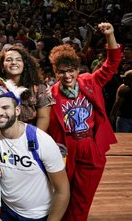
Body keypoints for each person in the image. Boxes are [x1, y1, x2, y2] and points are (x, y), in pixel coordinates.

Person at [47, 22, 120, 221]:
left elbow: (112, 63)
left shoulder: (90, 82)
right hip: (64, 148)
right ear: (56, 73)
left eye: (71, 70)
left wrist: (110, 36)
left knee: (83, 198)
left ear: (77, 69)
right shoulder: (50, 94)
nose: (67, 75)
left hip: (90, 145)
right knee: (62, 196)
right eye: (62, 71)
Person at [0, 81, 70, 221]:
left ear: (17, 110)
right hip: (5, 210)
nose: (0, 113)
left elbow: (63, 191)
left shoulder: (41, 141)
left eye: (5, 107)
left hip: (38, 215)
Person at [0, 46, 54, 131]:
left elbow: (43, 117)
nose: (14, 62)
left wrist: (33, 139)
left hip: (32, 136)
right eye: (9, 60)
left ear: (24, 65)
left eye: (18, 59)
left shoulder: (39, 88)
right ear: (2, 66)